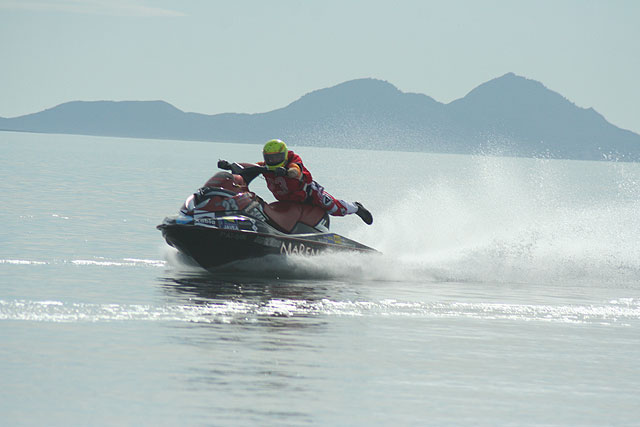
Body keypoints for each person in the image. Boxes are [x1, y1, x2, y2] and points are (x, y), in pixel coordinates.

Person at [220, 139, 373, 224]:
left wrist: (286, 172)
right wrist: (231, 166)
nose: (273, 160)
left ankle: (356, 208)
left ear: (284, 155)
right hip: (288, 201)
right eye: (270, 157)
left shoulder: (292, 160)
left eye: (276, 157)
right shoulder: (264, 167)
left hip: (311, 195)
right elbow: (249, 167)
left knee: (333, 207)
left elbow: (296, 170)